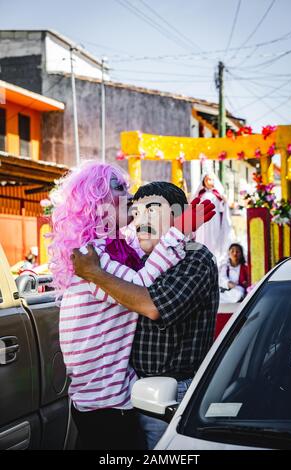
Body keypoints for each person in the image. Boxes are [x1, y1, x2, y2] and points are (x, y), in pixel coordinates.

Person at [50, 162, 215, 450]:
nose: (129, 195)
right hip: (106, 402)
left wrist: (176, 232)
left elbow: (149, 285)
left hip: (128, 394)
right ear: (96, 200)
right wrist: (177, 233)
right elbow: (142, 284)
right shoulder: (91, 254)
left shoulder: (122, 247)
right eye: (119, 188)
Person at [192, 172, 233, 264]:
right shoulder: (200, 194)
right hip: (202, 223)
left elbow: (222, 208)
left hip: (214, 221)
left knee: (214, 238)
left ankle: (215, 257)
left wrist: (224, 201)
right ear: (203, 181)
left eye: (210, 179)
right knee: (202, 238)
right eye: (207, 180)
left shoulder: (217, 195)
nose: (209, 181)